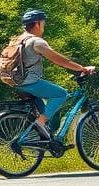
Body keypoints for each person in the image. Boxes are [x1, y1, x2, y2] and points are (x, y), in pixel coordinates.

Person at [15, 9, 94, 140]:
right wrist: (82, 69)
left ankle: (44, 137)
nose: (44, 26)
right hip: (30, 83)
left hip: (16, 83)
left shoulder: (18, 40)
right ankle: (39, 124)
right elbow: (61, 61)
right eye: (43, 23)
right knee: (61, 94)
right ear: (37, 24)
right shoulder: (36, 42)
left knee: (45, 113)